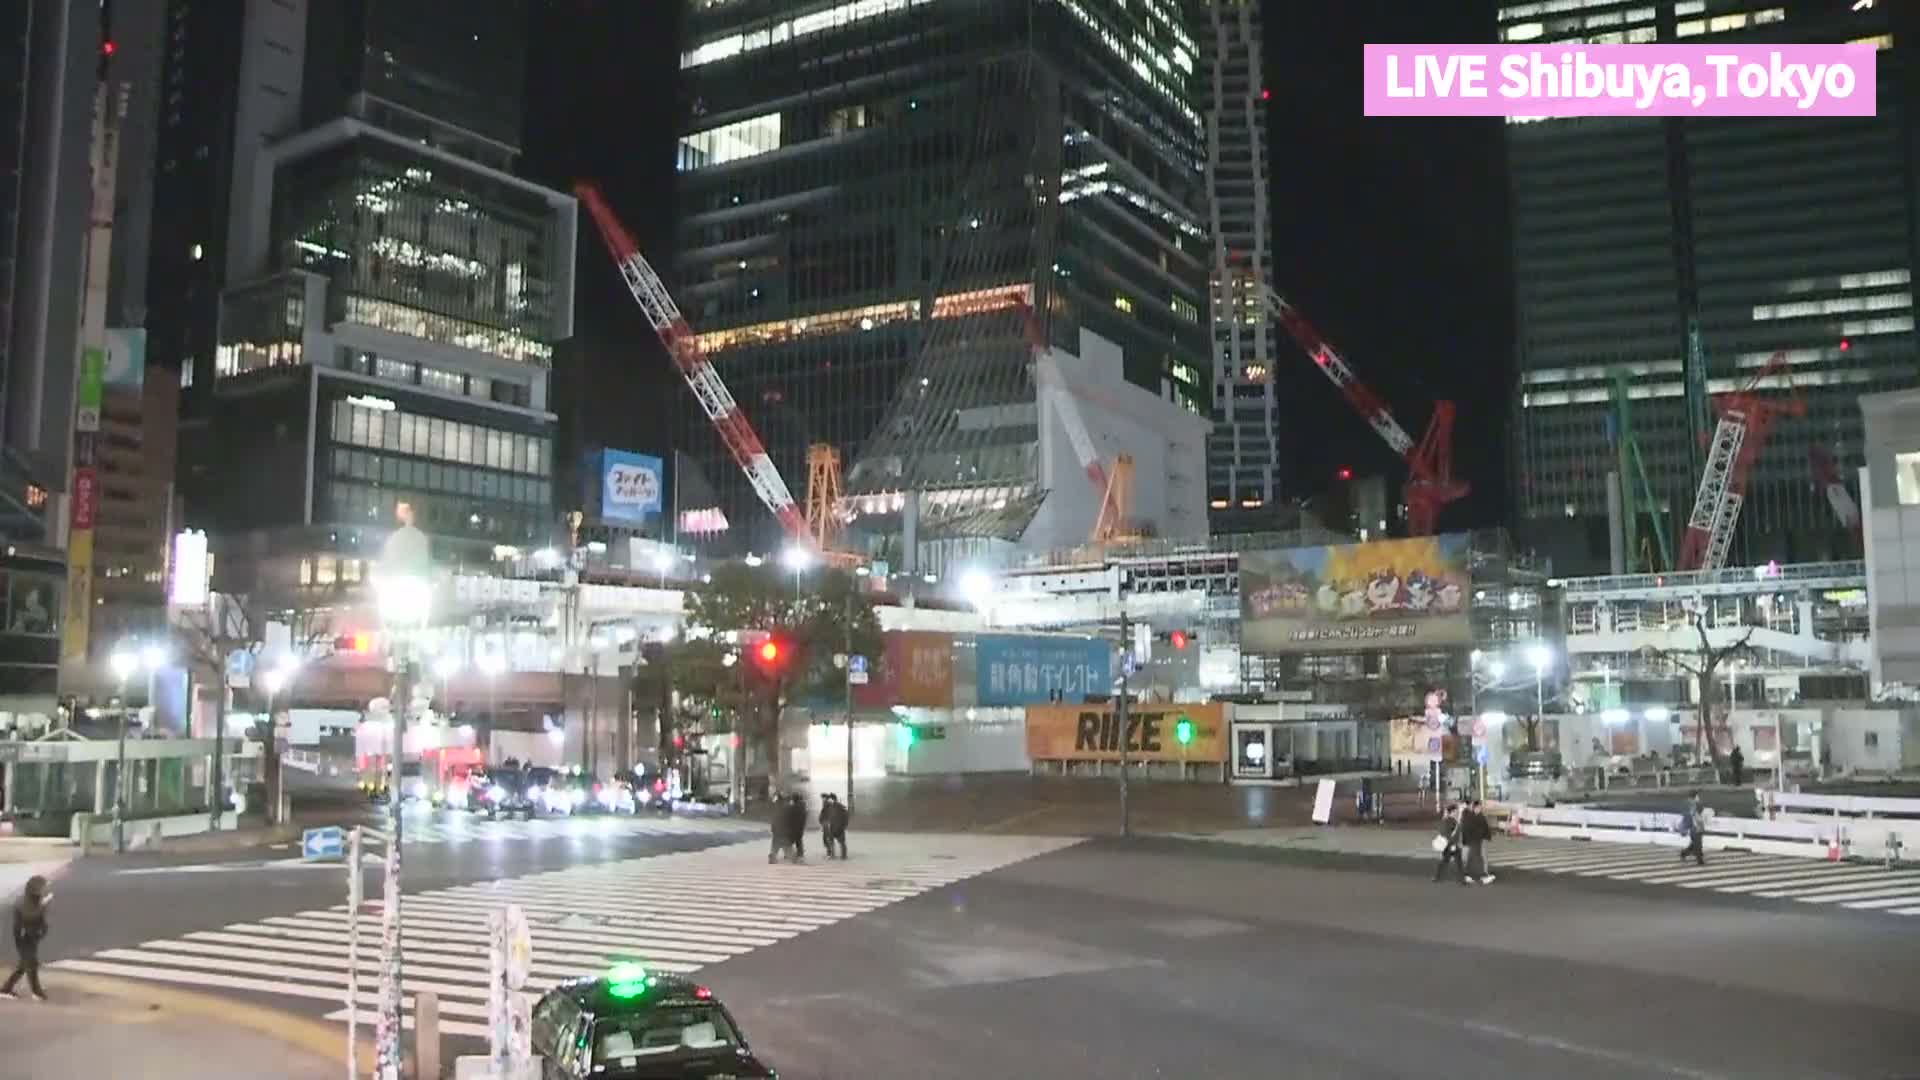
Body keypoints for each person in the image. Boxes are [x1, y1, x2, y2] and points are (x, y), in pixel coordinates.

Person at [4, 875, 50, 1001]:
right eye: (42, 887)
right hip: (24, 938)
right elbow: (29, 917)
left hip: (33, 937)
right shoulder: (23, 903)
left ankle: (6, 989)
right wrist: (43, 907)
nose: (44, 889)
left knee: (25, 965)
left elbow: (40, 919)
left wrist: (42, 930)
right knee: (31, 964)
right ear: (34, 889)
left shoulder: (36, 901)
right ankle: (36, 992)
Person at [1463, 798, 1496, 885]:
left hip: (1477, 839)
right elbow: (1469, 829)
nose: (1481, 808)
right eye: (1480, 807)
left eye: (1481, 807)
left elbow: (1484, 827)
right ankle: (1483, 876)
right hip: (1475, 840)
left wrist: (1487, 836)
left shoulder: (1477, 816)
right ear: (1475, 807)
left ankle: (1468, 875)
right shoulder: (1471, 817)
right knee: (1479, 858)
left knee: (1472, 857)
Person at [1433, 804, 1467, 884]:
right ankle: (1438, 877)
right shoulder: (1448, 821)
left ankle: (1461, 880)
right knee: (1448, 862)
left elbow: (1457, 832)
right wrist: (1452, 844)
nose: (1457, 812)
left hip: (1453, 845)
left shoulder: (1453, 820)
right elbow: (1447, 833)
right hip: (1450, 845)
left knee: (1456, 862)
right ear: (1452, 811)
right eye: (1456, 811)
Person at [1679, 792, 1707, 866]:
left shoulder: (1695, 805)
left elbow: (1700, 816)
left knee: (1694, 844)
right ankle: (1700, 860)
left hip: (1697, 827)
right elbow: (1690, 817)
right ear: (1695, 797)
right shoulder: (1692, 806)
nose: (1698, 798)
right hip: (1694, 828)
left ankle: (1684, 853)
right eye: (1697, 796)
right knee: (1697, 844)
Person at [819, 793, 850, 859]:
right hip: (832, 827)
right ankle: (832, 855)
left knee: (841, 842)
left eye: (829, 799)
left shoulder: (839, 806)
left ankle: (844, 856)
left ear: (833, 799)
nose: (828, 800)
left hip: (839, 827)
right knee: (831, 841)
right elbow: (826, 816)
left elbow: (846, 816)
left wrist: (844, 826)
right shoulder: (830, 806)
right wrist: (825, 824)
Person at [784, 793, 809, 862]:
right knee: (798, 841)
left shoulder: (793, 807)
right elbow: (804, 818)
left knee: (788, 842)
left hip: (793, 828)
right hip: (800, 828)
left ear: (794, 799)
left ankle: (792, 856)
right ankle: (800, 856)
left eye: (792, 799)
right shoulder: (803, 807)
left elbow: (789, 817)